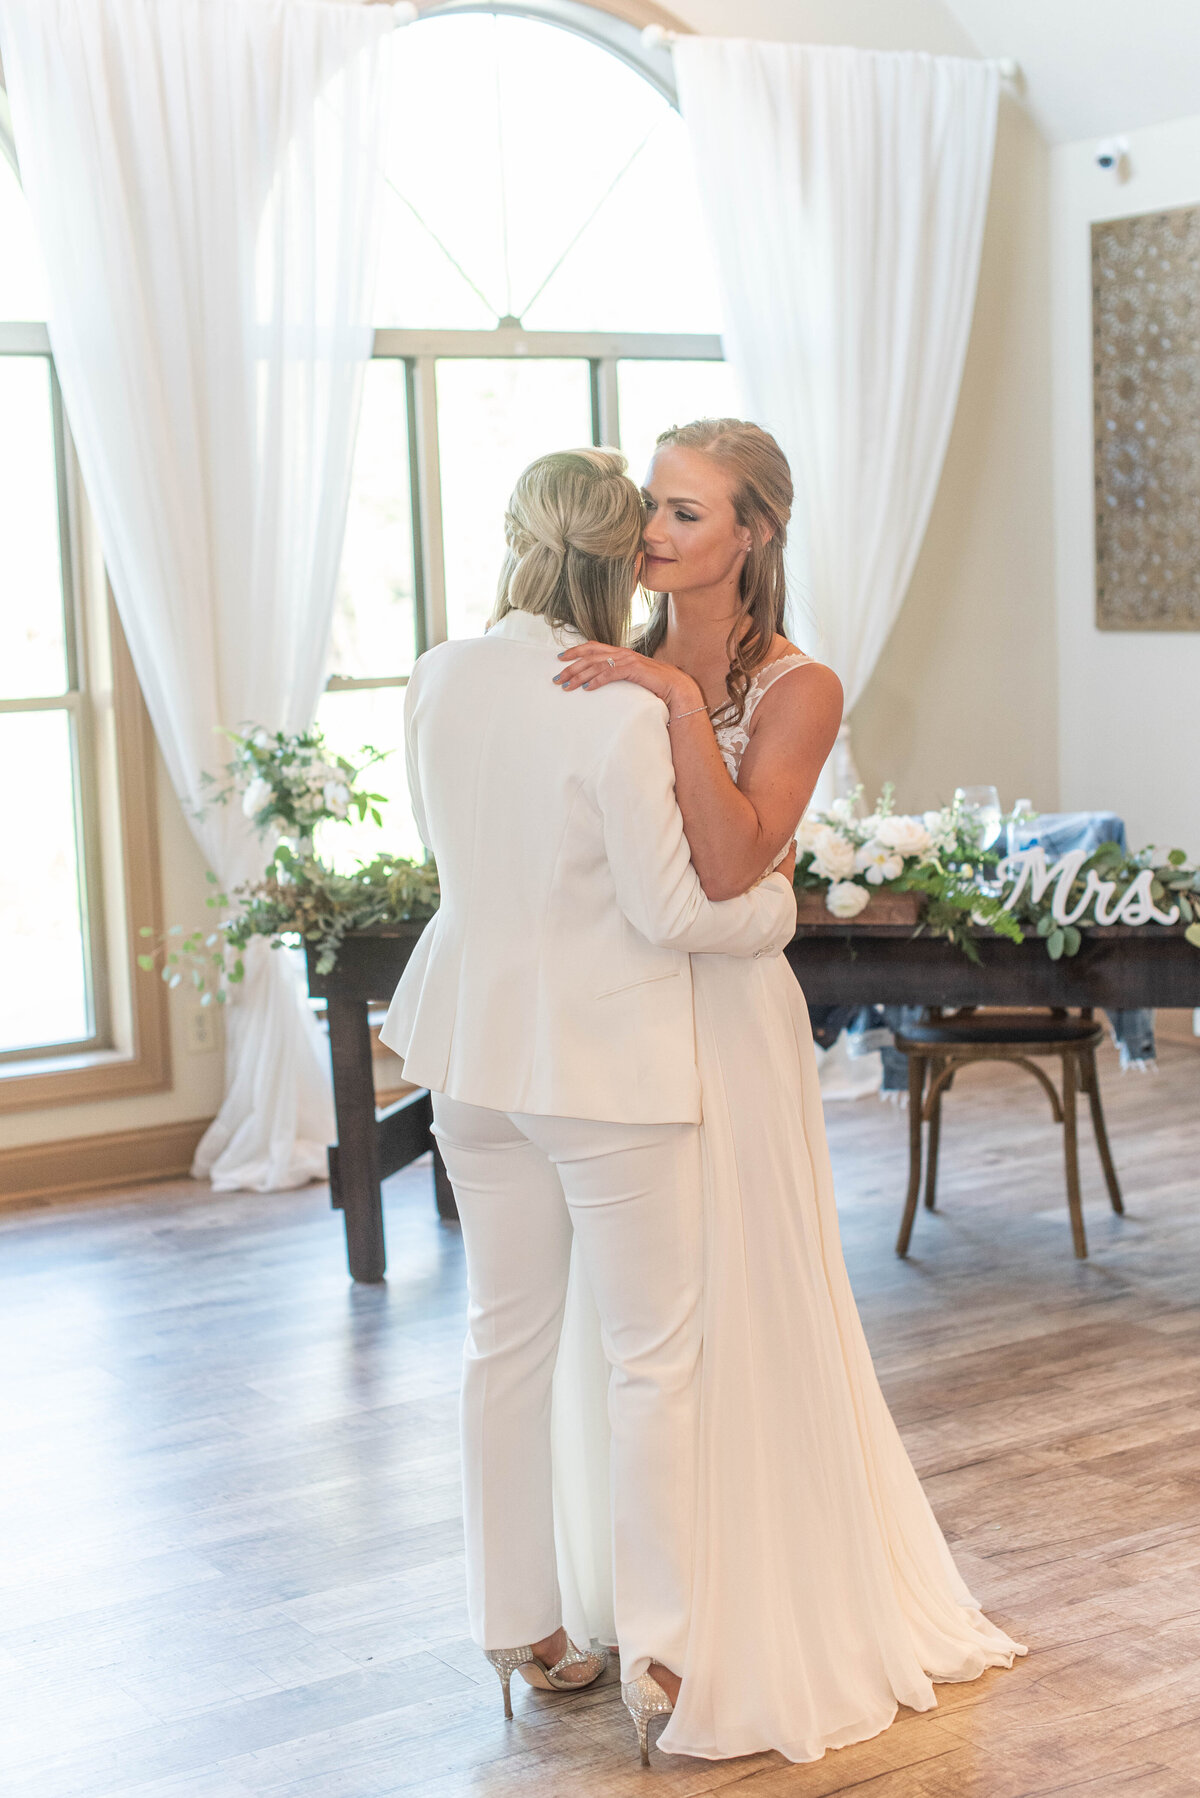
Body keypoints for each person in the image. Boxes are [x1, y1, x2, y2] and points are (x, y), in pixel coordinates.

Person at [554, 417, 1025, 1764]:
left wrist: (665, 706)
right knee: (645, 1318)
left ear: (751, 533)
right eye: (652, 504)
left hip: (732, 1022)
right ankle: (655, 1601)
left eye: (687, 513)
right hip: (625, 1015)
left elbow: (732, 859)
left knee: (742, 1291)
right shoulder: (619, 660)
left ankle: (766, 1603)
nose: (653, 530)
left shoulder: (798, 685)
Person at [377, 447, 798, 1751]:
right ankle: (662, 1659)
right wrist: (781, 908)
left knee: (504, 1335)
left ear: (515, 536)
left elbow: (462, 847)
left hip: (471, 1050)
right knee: (651, 1357)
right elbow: (675, 908)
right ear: (625, 559)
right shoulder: (614, 708)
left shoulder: (439, 675)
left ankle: (522, 1626)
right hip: (605, 1065)